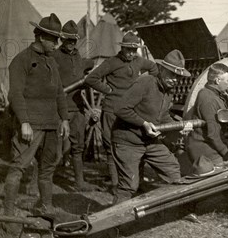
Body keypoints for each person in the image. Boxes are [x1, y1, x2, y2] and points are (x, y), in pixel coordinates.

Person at [3, 13, 72, 221]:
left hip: (51, 124)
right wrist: (24, 122)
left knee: (47, 167)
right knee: (18, 167)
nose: (56, 44)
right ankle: (8, 215)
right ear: (41, 37)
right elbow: (15, 94)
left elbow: (60, 92)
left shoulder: (51, 61)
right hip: (31, 124)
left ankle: (46, 208)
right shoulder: (21, 61)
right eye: (53, 39)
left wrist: (65, 119)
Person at [84, 32, 158, 194]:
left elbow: (154, 68)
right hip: (112, 110)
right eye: (128, 49)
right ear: (122, 48)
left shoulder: (139, 61)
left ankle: (136, 183)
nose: (131, 53)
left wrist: (147, 86)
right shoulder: (112, 62)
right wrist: (108, 90)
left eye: (134, 50)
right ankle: (116, 185)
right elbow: (91, 78)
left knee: (136, 145)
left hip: (131, 111)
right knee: (111, 147)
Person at [111, 49, 189, 203]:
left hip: (149, 141)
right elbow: (120, 108)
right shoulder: (145, 82)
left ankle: (181, 210)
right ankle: (116, 224)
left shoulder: (168, 91)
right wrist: (144, 123)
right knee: (129, 185)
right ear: (161, 70)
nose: (175, 80)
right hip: (128, 141)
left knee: (172, 169)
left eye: (178, 76)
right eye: (172, 74)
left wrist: (178, 126)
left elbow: (163, 116)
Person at [52, 20, 96, 191]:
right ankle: (42, 182)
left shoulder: (78, 56)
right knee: (53, 149)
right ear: (62, 39)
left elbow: (85, 69)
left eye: (73, 40)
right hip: (59, 109)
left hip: (77, 108)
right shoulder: (54, 56)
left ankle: (79, 182)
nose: (71, 43)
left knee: (77, 147)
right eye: (68, 40)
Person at [186, 62, 228, 165]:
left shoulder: (213, 94)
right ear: (217, 81)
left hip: (211, 144)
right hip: (204, 149)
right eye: (227, 80)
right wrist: (227, 153)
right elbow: (213, 134)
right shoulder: (208, 99)